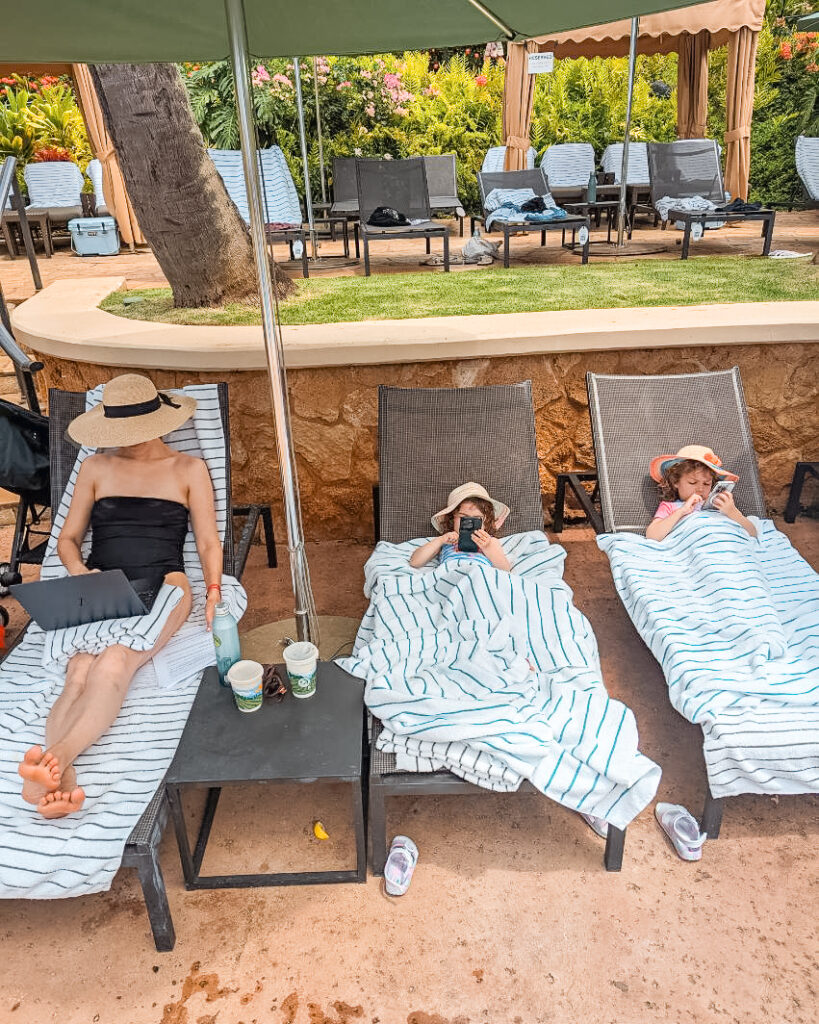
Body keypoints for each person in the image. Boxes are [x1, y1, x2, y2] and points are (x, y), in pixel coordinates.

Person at [17, 374, 225, 819]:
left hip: (165, 586)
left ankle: (56, 759)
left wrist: (212, 590)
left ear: (157, 423)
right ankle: (60, 780)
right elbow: (68, 539)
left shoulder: (187, 470)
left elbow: (208, 542)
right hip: (101, 584)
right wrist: (81, 574)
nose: (123, 442)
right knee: (78, 669)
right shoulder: (95, 468)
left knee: (114, 660)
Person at [645, 444, 756, 542]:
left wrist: (732, 512)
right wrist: (681, 511)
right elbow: (652, 536)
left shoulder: (718, 505)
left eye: (707, 484)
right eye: (692, 482)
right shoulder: (670, 507)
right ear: (675, 481)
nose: (700, 489)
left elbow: (753, 533)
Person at [409, 482, 512, 571]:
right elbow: (415, 562)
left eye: (477, 518)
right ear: (452, 518)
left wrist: (487, 547)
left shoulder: (491, 541)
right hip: (450, 575)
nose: (469, 522)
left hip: (478, 576)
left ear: (486, 521)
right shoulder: (446, 541)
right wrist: (440, 540)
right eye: (463, 517)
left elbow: (505, 569)